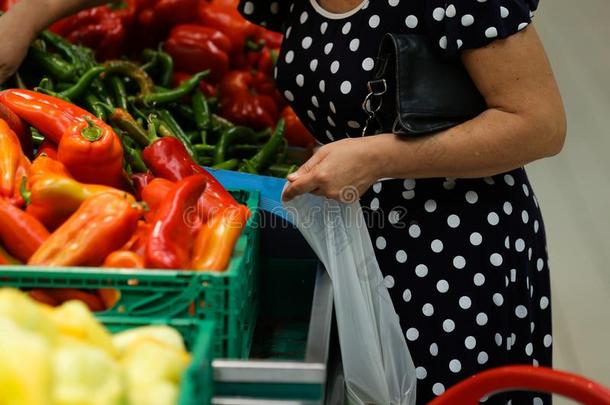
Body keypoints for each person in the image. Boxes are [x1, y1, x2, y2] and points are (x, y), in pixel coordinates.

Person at [0, 0, 565, 403]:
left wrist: (379, 156)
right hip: (350, 237)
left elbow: (539, 125)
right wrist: (24, 17)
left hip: (456, 257)